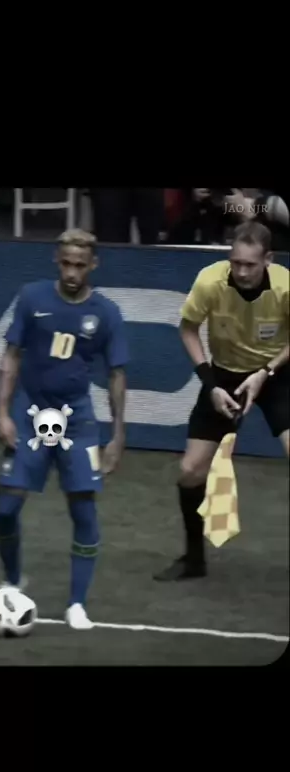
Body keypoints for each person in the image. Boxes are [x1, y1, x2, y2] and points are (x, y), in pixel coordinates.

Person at [0, 228, 128, 628]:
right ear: (56, 259)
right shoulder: (31, 298)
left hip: (77, 420)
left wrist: (117, 435)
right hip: (29, 412)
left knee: (83, 509)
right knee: (5, 508)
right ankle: (13, 581)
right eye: (66, 263)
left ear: (93, 265)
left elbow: (117, 375)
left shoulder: (106, 313)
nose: (72, 273)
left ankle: (77, 604)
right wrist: (2, 412)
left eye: (80, 265)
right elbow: (11, 355)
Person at [155, 221, 289, 581]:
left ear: (268, 259)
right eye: (236, 263)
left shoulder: (285, 286)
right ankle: (193, 560)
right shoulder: (210, 281)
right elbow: (188, 329)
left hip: (276, 375)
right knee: (189, 471)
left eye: (250, 264)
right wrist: (211, 384)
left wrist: (266, 373)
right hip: (224, 377)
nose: (242, 272)